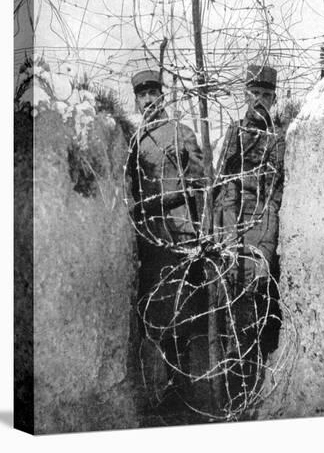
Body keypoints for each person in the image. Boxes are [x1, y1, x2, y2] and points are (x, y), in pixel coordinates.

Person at [127, 68, 205, 413]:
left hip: (181, 236)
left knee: (182, 314)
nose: (147, 100)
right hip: (150, 241)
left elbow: (199, 183)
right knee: (155, 314)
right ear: (136, 100)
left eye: (152, 93)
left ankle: (182, 391)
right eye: (141, 95)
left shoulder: (182, 132)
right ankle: (159, 390)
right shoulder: (134, 143)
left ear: (162, 96)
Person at [214, 64, 285, 388]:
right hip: (232, 221)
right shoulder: (234, 133)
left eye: (266, 96)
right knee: (228, 297)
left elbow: (274, 197)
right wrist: (228, 235)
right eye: (254, 94)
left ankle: (247, 379)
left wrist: (266, 248)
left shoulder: (278, 139)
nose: (259, 101)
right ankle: (230, 379)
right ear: (245, 95)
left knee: (254, 299)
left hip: (260, 223)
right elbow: (224, 186)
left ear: (273, 99)